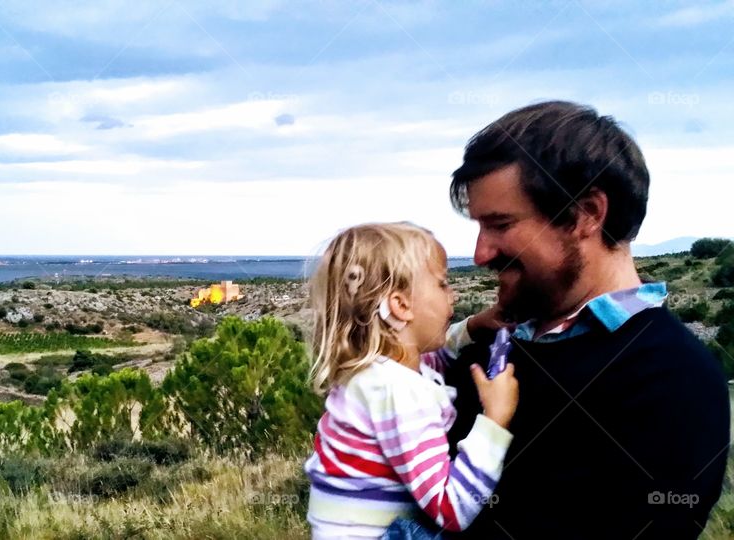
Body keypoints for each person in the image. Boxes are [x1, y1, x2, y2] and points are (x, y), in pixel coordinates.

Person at [442, 100, 730, 539]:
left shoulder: (674, 380)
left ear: (587, 214)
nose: (481, 253)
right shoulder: (494, 346)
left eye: (500, 224)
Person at [303, 222, 519, 539]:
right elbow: (452, 509)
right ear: (401, 305)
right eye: (443, 284)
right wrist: (495, 420)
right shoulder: (399, 392)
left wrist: (473, 326)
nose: (454, 294)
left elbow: (434, 359)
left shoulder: (375, 374)